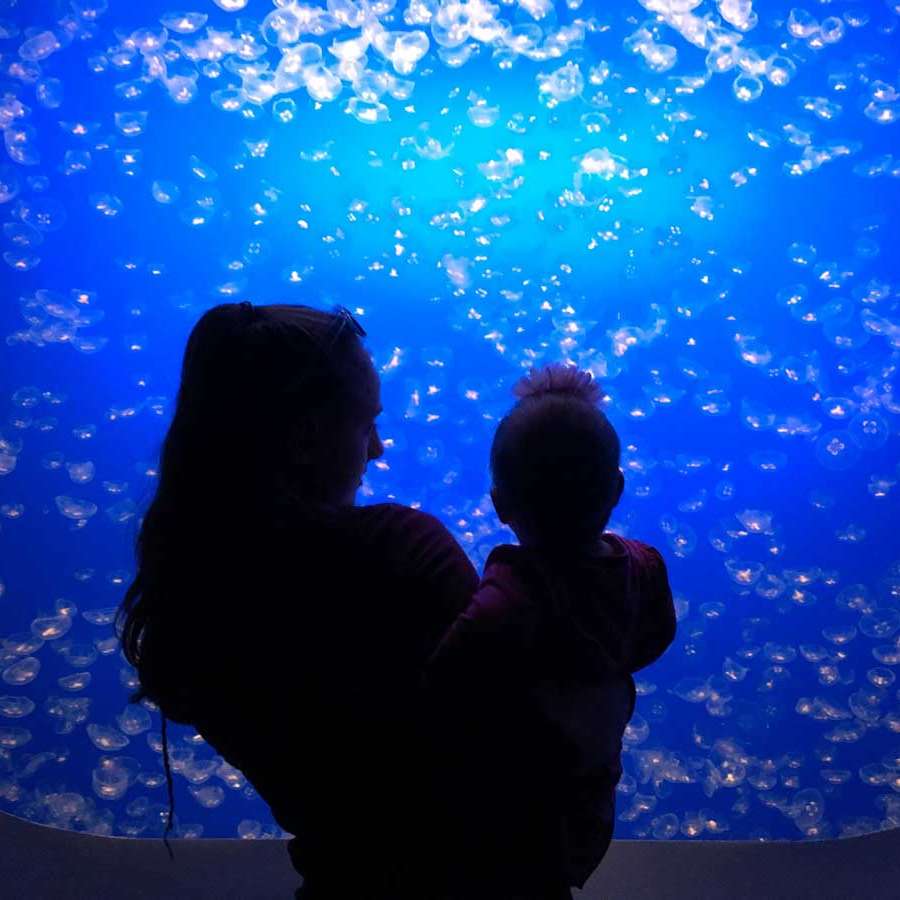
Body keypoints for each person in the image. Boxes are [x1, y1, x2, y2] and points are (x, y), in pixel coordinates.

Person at [115, 302, 480, 899]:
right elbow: (521, 721)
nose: (379, 449)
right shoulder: (403, 552)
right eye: (366, 425)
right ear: (307, 437)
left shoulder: (195, 609)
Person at [422, 363, 677, 900]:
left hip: (509, 808)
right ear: (616, 491)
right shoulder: (643, 567)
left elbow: (444, 682)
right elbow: (656, 638)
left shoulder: (508, 597)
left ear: (500, 504)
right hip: (588, 798)